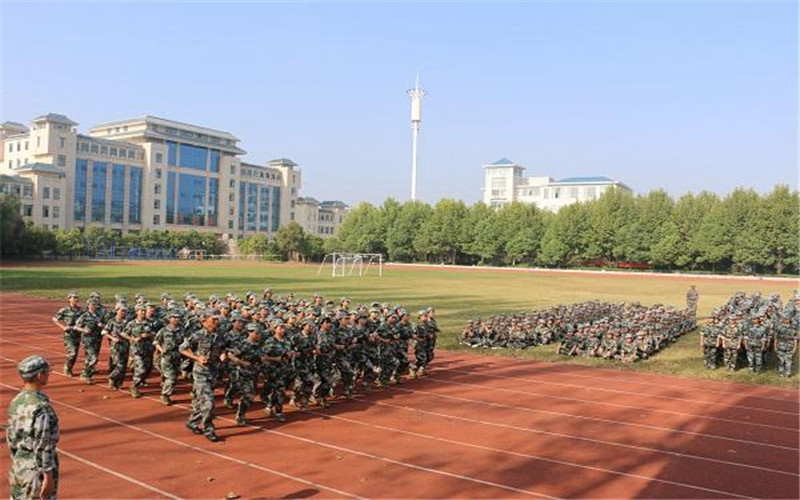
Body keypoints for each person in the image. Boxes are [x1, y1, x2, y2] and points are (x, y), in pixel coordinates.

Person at [7, 355, 59, 500]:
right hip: (36, 471)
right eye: (47, 371)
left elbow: (11, 435)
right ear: (39, 375)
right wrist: (48, 475)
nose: (48, 374)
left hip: (19, 465)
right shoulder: (41, 408)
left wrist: (18, 459)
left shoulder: (17, 401)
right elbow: (43, 444)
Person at [180, 311, 227, 442]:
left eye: (217, 319)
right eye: (213, 319)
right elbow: (182, 348)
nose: (216, 321)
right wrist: (197, 358)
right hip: (200, 373)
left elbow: (223, 347)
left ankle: (192, 422)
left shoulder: (219, 334)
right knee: (209, 402)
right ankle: (209, 429)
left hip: (213, 372)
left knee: (202, 402)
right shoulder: (198, 335)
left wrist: (223, 354)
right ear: (204, 321)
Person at [52, 292, 83, 377]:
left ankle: (69, 368)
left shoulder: (81, 310)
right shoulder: (64, 310)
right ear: (69, 299)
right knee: (72, 353)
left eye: (77, 297)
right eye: (74, 297)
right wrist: (63, 327)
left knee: (75, 353)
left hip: (78, 334)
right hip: (69, 334)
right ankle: (67, 368)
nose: (76, 299)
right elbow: (55, 319)